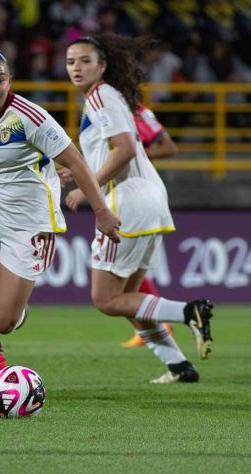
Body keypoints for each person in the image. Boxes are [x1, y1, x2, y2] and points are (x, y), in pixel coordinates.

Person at [0, 45, 120, 398]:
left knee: (3, 321)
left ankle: (14, 310)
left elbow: (76, 162)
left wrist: (101, 211)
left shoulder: (30, 117)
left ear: (9, 80)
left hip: (29, 221)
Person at [62, 34, 213, 384]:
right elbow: (114, 148)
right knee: (129, 298)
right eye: (71, 62)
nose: (77, 68)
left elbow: (126, 148)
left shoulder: (100, 96)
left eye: (85, 60)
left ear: (102, 65)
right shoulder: (109, 97)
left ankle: (189, 311)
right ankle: (178, 366)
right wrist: (79, 168)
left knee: (106, 299)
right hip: (150, 200)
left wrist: (89, 187)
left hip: (125, 204)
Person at [121, 103, 179, 347]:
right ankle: (158, 323)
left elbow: (168, 147)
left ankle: (168, 317)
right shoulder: (109, 107)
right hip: (122, 192)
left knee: (116, 281)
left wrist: (137, 156)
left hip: (134, 194)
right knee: (128, 272)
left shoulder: (134, 111)